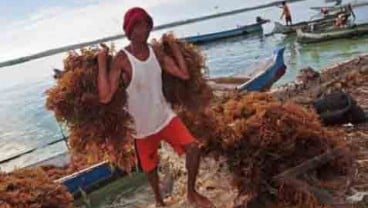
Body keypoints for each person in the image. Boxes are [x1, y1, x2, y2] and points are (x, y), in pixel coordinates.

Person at [96, 7, 214, 208]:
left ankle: (191, 192)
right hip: (142, 128)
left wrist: (174, 47)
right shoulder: (122, 59)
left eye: (147, 26)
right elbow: (106, 96)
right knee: (150, 168)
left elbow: (183, 74)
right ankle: (159, 201)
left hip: (165, 117)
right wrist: (101, 62)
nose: (144, 31)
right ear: (129, 30)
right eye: (139, 27)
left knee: (193, 149)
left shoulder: (156, 52)